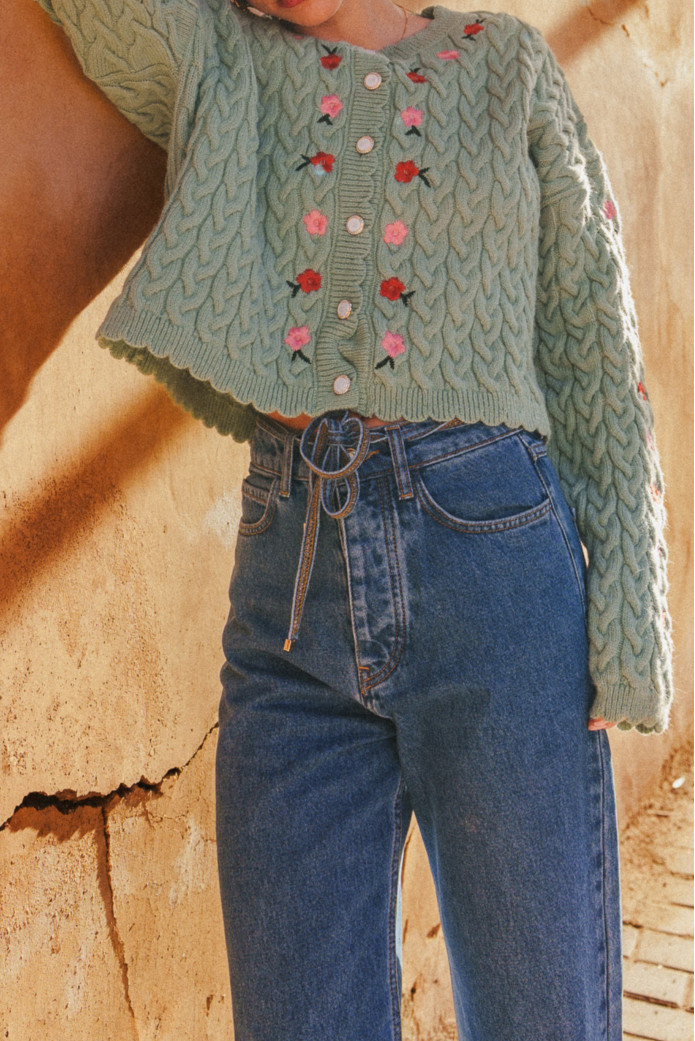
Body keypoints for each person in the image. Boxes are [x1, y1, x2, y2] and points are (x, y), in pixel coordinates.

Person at [10, 0, 674, 1037]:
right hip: (288, 612)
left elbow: (590, 338)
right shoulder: (223, 55)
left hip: (501, 591)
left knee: (540, 1017)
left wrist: (631, 619)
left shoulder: (504, 64)